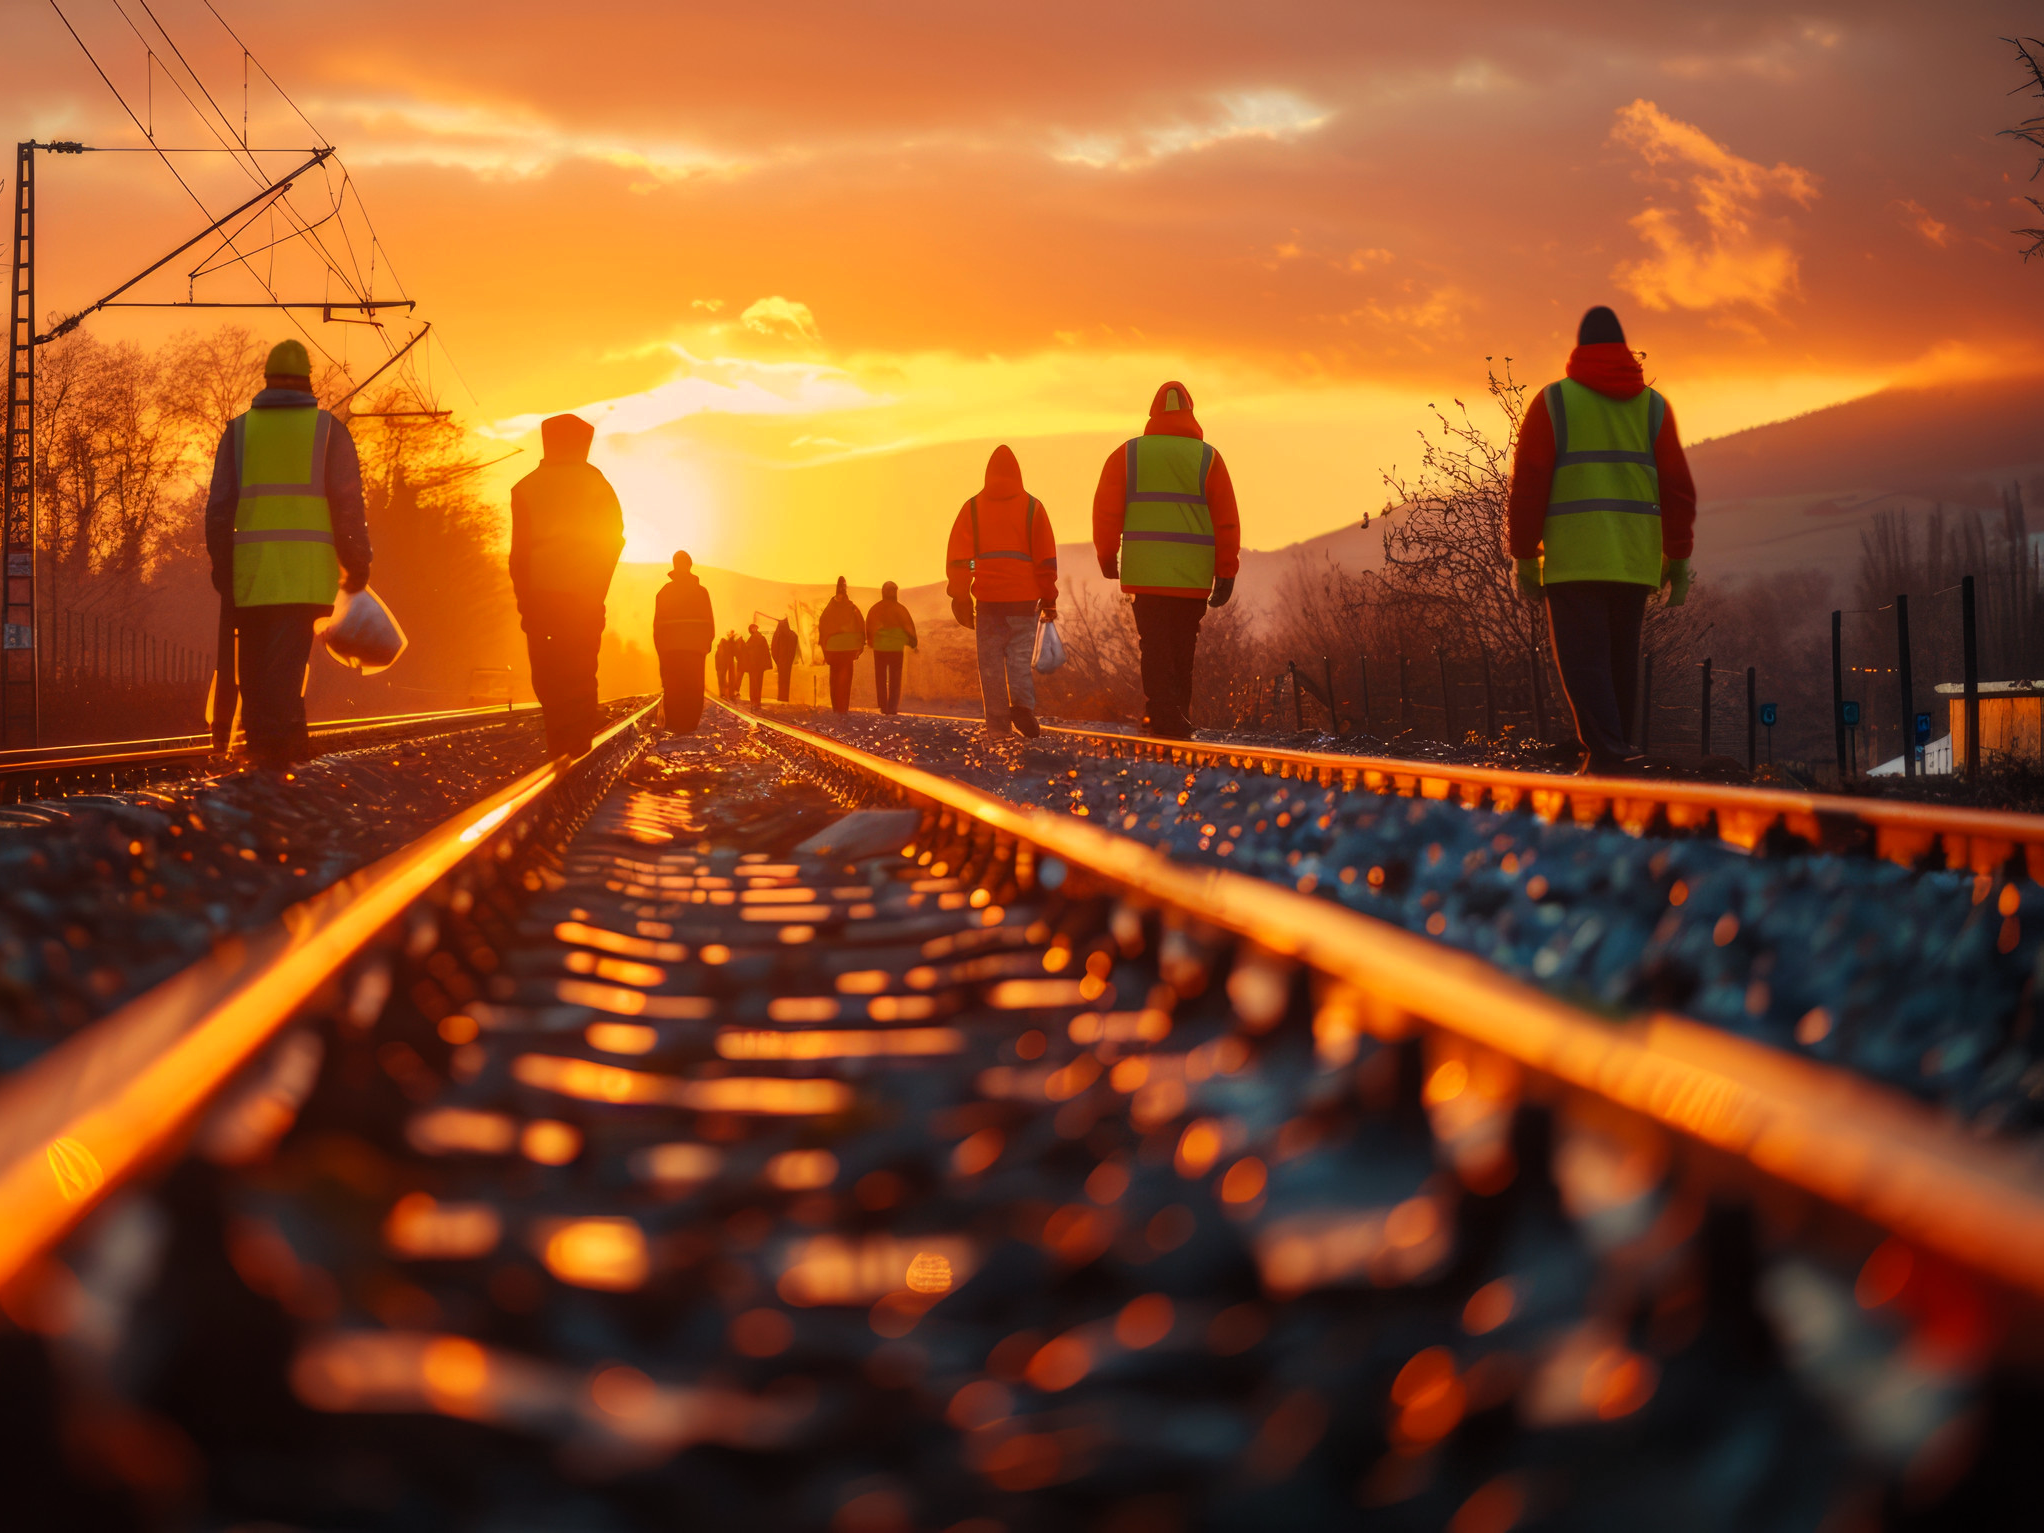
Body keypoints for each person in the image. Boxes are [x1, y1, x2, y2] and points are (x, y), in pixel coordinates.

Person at [1506, 305, 1695, 775]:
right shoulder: (1653, 407)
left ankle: (1610, 750)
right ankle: (1618, 754)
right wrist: (1679, 558)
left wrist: (1525, 557)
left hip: (1574, 561)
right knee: (1618, 662)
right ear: (1625, 350)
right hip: (1633, 561)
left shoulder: (1554, 402)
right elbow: (1676, 488)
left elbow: (1529, 482)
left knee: (1584, 665)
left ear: (1578, 350)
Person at [203, 339, 372, 769]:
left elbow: (220, 506)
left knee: (256, 675)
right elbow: (348, 504)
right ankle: (281, 761)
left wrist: (223, 566)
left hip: (252, 576)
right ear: (308, 382)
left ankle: (263, 758)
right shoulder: (328, 430)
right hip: (304, 577)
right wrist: (357, 563)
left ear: (266, 380)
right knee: (286, 674)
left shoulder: (240, 431)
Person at [1092, 380, 1241, 739]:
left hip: (1147, 572)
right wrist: (1226, 570)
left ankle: (1161, 713)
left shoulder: (1128, 455)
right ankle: (1179, 716)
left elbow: (1106, 510)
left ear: (1153, 413)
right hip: (1192, 575)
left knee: (1154, 643)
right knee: (1182, 645)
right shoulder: (1208, 457)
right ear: (1190, 411)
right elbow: (1226, 520)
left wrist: (1107, 553)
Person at [508, 413, 623, 758]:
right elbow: (613, 541)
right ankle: (578, 748)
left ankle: (559, 744)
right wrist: (598, 590)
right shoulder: (598, 483)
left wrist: (523, 600)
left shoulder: (525, 487)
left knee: (547, 673)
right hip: (584, 597)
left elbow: (519, 553)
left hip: (541, 598)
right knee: (581, 670)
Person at [947, 445, 1057, 737]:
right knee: (1020, 660)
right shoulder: (1033, 508)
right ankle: (1022, 707)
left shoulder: (972, 508)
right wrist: (1049, 596)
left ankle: (998, 729)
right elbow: (1043, 558)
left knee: (991, 667)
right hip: (1024, 599)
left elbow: (962, 557)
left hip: (989, 600)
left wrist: (962, 589)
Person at [652, 550, 714, 733]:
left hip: (671, 650)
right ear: (690, 565)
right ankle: (690, 727)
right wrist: (705, 646)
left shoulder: (664, 592)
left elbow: (658, 626)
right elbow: (709, 622)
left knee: (673, 689)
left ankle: (674, 727)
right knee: (694, 690)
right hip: (695, 650)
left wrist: (661, 651)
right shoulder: (702, 592)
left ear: (675, 565)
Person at [865, 581, 918, 715]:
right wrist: (913, 642)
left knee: (881, 679)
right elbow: (908, 626)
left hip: (880, 648)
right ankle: (892, 708)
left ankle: (883, 707)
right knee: (895, 679)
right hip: (896, 648)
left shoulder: (875, 609)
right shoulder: (900, 609)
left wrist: (870, 640)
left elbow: (869, 627)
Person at [817, 577, 866, 713]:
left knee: (834, 678)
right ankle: (843, 709)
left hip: (833, 649)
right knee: (845, 679)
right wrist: (860, 645)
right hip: (848, 648)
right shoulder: (852, 608)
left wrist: (825, 648)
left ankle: (837, 708)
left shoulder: (829, 610)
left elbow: (823, 628)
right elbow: (861, 626)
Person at [741, 623, 771, 707]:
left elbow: (747, 651)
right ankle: (757, 700)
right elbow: (766, 653)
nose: (753, 630)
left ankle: (754, 700)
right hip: (758, 666)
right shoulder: (760, 638)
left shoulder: (755, 639)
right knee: (758, 683)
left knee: (754, 683)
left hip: (754, 665)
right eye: (752, 629)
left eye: (754, 628)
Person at [770, 617, 800, 701]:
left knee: (781, 680)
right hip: (788, 661)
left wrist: (777, 660)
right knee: (787, 680)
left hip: (781, 660)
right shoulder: (792, 635)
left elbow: (774, 648)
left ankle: (782, 697)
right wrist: (790, 659)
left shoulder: (778, 634)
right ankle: (785, 697)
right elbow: (794, 647)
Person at [715, 631, 740, 699]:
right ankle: (723, 693)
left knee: (722, 680)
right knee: (723, 680)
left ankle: (723, 693)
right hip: (722, 666)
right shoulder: (723, 649)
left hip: (721, 667)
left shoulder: (720, 650)